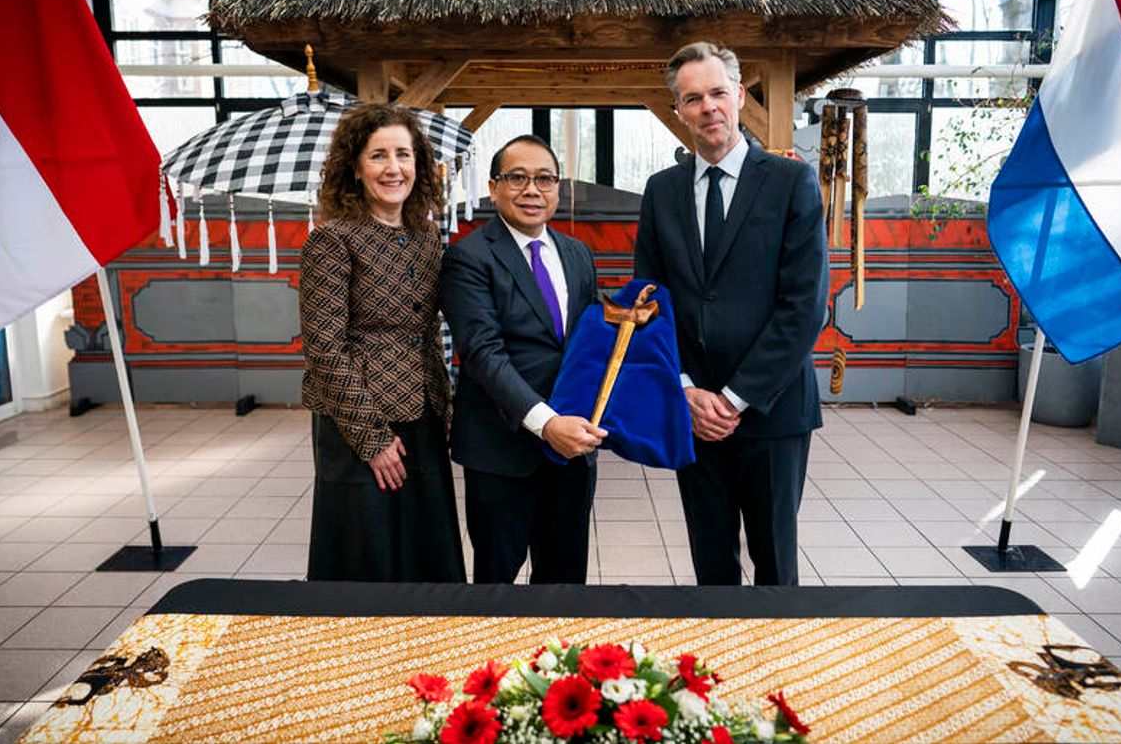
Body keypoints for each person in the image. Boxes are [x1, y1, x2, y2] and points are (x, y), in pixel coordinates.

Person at [634, 42, 829, 586]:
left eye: (718, 93)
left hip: (771, 408)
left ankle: (774, 667)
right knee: (710, 564)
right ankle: (716, 669)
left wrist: (735, 396)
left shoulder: (792, 182)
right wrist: (686, 388)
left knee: (774, 561)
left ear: (739, 96)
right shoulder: (661, 191)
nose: (708, 108)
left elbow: (804, 306)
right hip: (693, 413)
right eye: (692, 98)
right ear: (678, 111)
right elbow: (649, 302)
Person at [299, 103, 465, 583]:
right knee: (366, 554)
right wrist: (371, 439)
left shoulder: (426, 236)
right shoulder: (332, 240)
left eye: (404, 155)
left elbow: (428, 330)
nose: (394, 168)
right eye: (378, 156)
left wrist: (446, 407)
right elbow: (324, 347)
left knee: (426, 550)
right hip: (357, 421)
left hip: (424, 413)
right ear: (355, 166)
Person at [440, 134, 604, 584]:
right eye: (517, 178)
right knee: (497, 588)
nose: (532, 190)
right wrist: (547, 423)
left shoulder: (577, 254)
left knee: (565, 584)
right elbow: (482, 354)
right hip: (501, 452)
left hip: (571, 454)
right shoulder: (467, 257)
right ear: (493, 189)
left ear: (558, 189)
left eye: (545, 179)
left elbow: (590, 343)